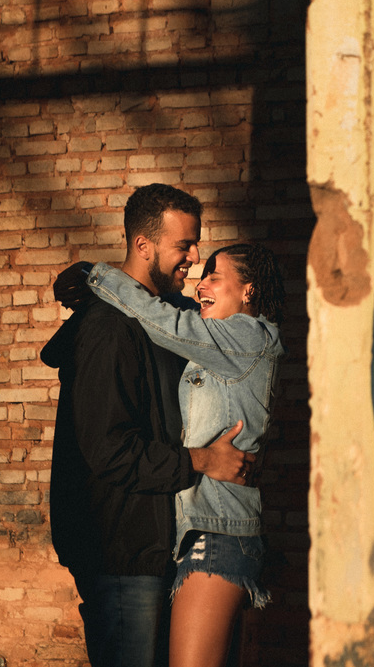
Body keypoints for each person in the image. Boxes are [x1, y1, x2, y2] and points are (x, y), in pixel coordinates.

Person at [41, 184, 255, 667]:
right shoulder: (109, 328)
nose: (194, 257)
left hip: (156, 547)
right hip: (121, 552)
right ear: (144, 245)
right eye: (184, 245)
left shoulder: (166, 319)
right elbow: (109, 449)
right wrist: (203, 460)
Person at [84, 242, 286, 667]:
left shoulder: (247, 335)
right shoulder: (229, 341)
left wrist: (95, 275)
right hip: (209, 533)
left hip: (217, 535)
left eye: (214, 276)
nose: (200, 286)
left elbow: (167, 322)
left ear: (248, 290)